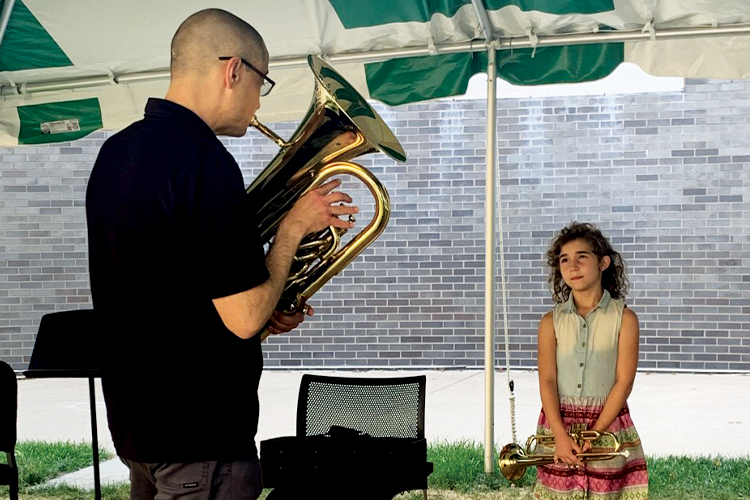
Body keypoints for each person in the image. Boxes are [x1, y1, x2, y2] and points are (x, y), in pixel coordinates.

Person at [85, 8, 358, 500]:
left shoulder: (116, 152)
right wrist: (293, 229)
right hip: (200, 438)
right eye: (262, 84)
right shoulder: (204, 161)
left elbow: (174, 288)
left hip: (136, 427)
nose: (258, 103)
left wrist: (270, 290)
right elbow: (243, 317)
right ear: (234, 70)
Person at [534, 222, 649, 499]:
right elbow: (547, 380)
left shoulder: (626, 320)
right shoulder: (550, 322)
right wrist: (560, 436)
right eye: (564, 259)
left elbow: (624, 382)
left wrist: (595, 434)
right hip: (558, 424)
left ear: (604, 263)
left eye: (581, 257)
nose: (572, 265)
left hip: (607, 424)